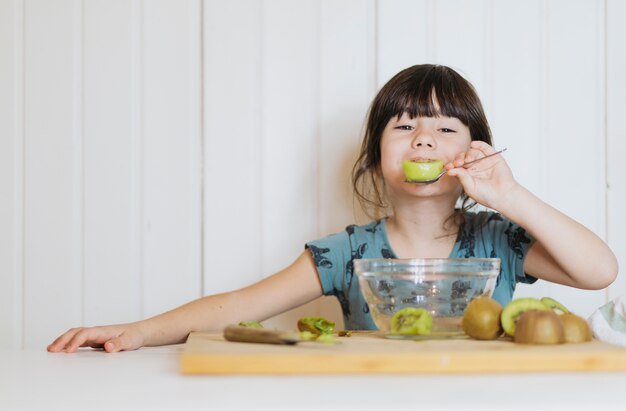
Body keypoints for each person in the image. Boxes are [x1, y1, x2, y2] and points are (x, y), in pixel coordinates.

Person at [48, 64, 618, 353]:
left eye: (445, 128)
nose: (423, 138)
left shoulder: (500, 239)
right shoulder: (348, 252)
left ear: (472, 154)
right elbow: (242, 304)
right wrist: (138, 333)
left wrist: (510, 196)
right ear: (373, 159)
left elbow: (599, 271)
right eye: (404, 127)